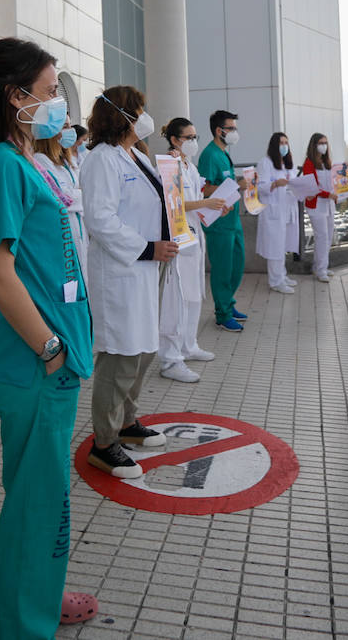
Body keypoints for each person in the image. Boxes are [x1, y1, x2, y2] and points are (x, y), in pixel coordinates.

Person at [0, 38, 99, 635]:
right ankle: (24, 624)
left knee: (43, 497)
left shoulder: (23, 161)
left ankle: (41, 594)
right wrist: (50, 347)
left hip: (51, 363)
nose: (57, 105)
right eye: (47, 94)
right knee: (36, 503)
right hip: (36, 363)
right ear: (15, 97)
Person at [81, 86, 177, 479]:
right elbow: (100, 219)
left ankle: (126, 421)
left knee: (142, 350)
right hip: (122, 270)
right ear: (122, 115)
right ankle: (104, 444)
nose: (146, 117)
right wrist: (145, 248)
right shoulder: (101, 160)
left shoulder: (135, 155)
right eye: (140, 110)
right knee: (119, 356)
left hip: (146, 266)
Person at [158, 119, 227, 383]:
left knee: (194, 294)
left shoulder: (189, 164)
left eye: (195, 136)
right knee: (177, 299)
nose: (194, 141)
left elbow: (195, 200)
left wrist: (215, 206)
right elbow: (173, 202)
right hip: (178, 237)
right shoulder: (169, 164)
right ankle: (169, 358)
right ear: (175, 140)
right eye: (189, 137)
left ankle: (188, 345)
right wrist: (206, 201)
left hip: (194, 234)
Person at [198, 109, 249, 331]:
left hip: (232, 220)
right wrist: (236, 185)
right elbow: (204, 187)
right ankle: (222, 313)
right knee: (222, 269)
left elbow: (224, 184)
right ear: (219, 131)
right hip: (218, 222)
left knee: (237, 266)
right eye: (231, 128)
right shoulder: (210, 155)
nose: (235, 132)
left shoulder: (224, 153)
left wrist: (238, 183)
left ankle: (228, 303)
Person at [33, 118, 88, 274]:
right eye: (65, 126)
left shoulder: (65, 160)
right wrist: (83, 193)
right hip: (63, 229)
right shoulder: (40, 159)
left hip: (78, 226)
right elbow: (64, 197)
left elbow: (80, 189)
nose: (70, 131)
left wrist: (80, 192)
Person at [256, 132, 300, 294]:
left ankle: (282, 274)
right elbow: (259, 187)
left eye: (286, 143)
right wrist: (275, 184)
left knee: (283, 245)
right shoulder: (265, 163)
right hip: (273, 211)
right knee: (275, 246)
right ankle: (275, 281)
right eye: (281, 143)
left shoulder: (288, 164)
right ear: (274, 145)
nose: (284, 146)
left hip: (288, 209)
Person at [302, 132, 338, 283]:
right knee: (321, 236)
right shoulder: (309, 163)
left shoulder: (327, 162)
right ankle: (320, 269)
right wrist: (328, 194)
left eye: (325, 142)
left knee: (328, 235)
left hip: (329, 204)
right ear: (314, 145)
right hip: (316, 205)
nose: (324, 146)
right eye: (321, 143)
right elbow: (312, 186)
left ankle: (320, 266)